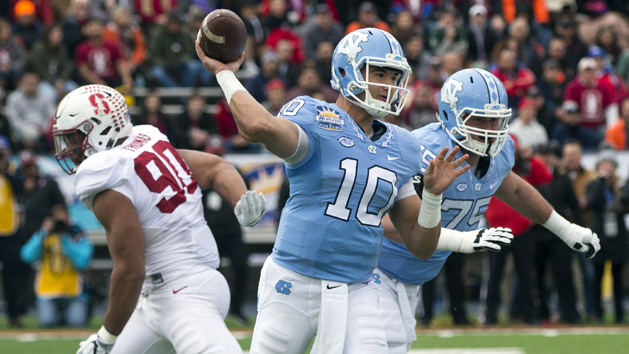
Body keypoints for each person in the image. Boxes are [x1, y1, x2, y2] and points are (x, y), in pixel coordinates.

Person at [196, 27, 469, 353]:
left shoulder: (404, 145)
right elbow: (257, 126)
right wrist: (225, 74)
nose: (388, 85)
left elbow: (421, 246)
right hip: (293, 279)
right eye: (378, 72)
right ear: (344, 71)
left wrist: (433, 198)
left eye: (394, 76)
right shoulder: (315, 116)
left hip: (359, 287)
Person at [374, 68, 601, 353]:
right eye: (479, 118)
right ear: (450, 115)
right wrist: (463, 240)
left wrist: (566, 229)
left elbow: (514, 188)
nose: (490, 129)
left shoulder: (500, 149)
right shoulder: (422, 150)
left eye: (496, 119)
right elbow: (387, 224)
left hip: (413, 275)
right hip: (377, 268)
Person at [51, 84, 266, 353]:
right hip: (156, 298)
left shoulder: (106, 174)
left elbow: (130, 270)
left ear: (99, 129)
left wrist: (105, 338)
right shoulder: (147, 143)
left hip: (185, 292)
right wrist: (240, 197)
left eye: (75, 137)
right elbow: (217, 168)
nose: (71, 147)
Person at [20, 205, 94, 327]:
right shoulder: (44, 236)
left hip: (74, 293)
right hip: (48, 292)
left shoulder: (77, 236)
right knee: (47, 322)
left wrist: (65, 239)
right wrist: (42, 233)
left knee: (77, 322)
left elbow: (82, 263)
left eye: (63, 221)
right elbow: (26, 256)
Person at [586, 150, 627, 324]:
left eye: (610, 164)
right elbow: (592, 203)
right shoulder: (594, 185)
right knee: (598, 274)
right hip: (600, 235)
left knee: (618, 276)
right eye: (604, 164)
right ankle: (599, 313)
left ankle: (619, 314)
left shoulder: (621, 185)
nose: (607, 167)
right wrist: (601, 182)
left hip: (617, 236)